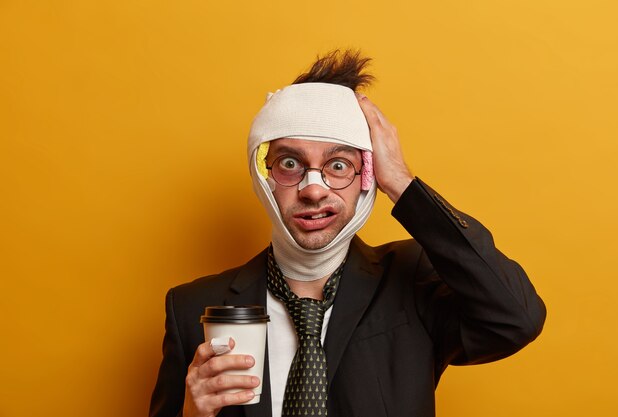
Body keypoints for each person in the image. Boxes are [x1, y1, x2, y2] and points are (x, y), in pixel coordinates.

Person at [149, 50, 546, 417]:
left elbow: (516, 319)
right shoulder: (191, 308)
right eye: (290, 162)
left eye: (338, 165)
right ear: (264, 176)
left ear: (366, 178)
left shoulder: (414, 283)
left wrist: (403, 184)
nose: (313, 188)